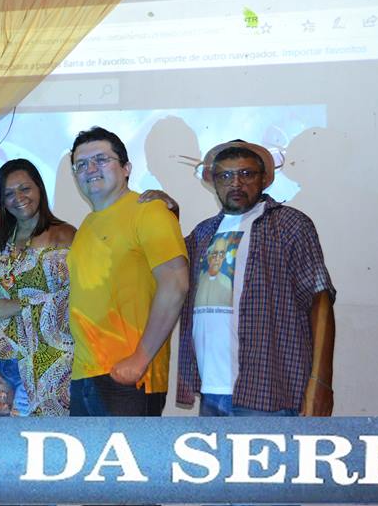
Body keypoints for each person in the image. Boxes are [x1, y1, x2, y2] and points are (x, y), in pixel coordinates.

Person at [176, 139, 336, 417]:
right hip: (211, 389)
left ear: (264, 179)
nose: (236, 183)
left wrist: (321, 382)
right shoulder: (203, 233)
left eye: (246, 174)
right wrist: (167, 212)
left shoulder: (289, 224)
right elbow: (170, 268)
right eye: (225, 175)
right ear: (214, 182)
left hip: (269, 390)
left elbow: (319, 300)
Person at [66, 127, 189, 416]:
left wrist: (139, 360)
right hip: (86, 376)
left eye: (101, 159)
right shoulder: (87, 225)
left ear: (126, 169)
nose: (90, 169)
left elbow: (176, 284)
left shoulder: (150, 211)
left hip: (130, 378)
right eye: (81, 164)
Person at [0, 158, 76, 416]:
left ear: (39, 188)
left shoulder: (65, 235)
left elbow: (77, 293)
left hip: (46, 361)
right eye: (8, 193)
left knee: (41, 436)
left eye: (25, 188)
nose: (18, 198)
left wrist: (20, 305)